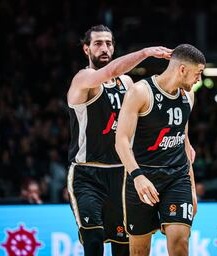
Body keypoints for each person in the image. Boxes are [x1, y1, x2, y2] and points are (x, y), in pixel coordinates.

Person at [67, 24, 172, 256]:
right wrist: (144, 53)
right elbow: (108, 73)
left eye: (108, 43)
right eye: (98, 43)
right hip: (87, 175)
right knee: (93, 241)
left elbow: (147, 116)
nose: (104, 48)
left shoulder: (126, 83)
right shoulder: (83, 79)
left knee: (123, 248)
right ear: (86, 50)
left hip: (122, 175)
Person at [115, 44, 205, 256]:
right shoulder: (140, 92)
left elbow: (184, 142)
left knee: (180, 242)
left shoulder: (188, 96)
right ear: (182, 69)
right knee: (139, 250)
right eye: (198, 74)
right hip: (143, 176)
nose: (199, 80)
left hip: (177, 177)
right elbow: (121, 140)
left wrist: (191, 186)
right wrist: (137, 176)